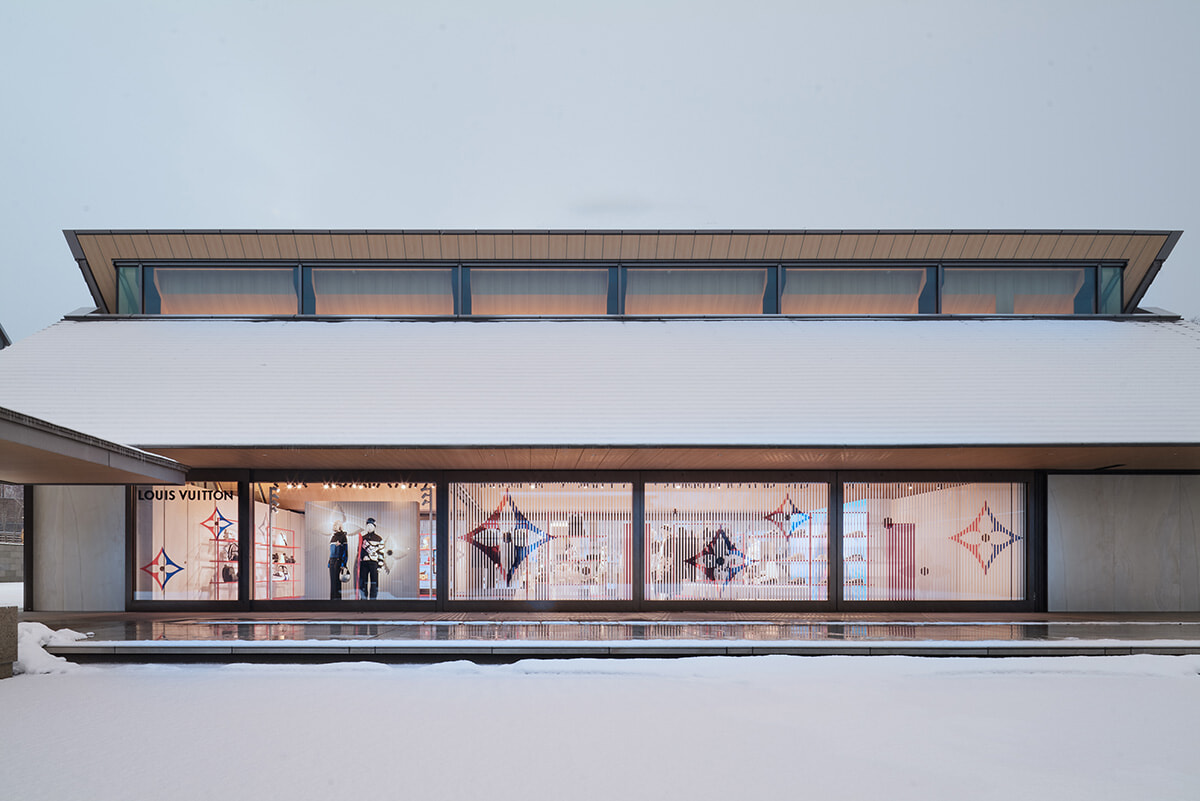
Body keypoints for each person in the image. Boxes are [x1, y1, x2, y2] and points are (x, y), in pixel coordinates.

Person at [358, 517, 384, 600]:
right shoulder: (363, 538)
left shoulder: (379, 539)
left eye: (371, 525)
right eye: (368, 525)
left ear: (374, 527)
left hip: (374, 563)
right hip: (364, 563)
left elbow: (381, 553)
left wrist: (380, 565)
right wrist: (363, 556)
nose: (369, 527)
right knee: (363, 582)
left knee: (374, 582)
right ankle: (363, 599)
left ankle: (373, 600)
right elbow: (359, 550)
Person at [328, 520, 349, 600]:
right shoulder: (333, 537)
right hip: (332, 561)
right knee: (332, 582)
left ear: (340, 526)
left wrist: (343, 563)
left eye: (336, 525)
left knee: (337, 582)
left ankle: (337, 601)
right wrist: (329, 561)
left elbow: (345, 551)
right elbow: (331, 550)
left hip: (338, 561)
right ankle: (332, 600)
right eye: (334, 525)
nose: (334, 526)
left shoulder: (343, 537)